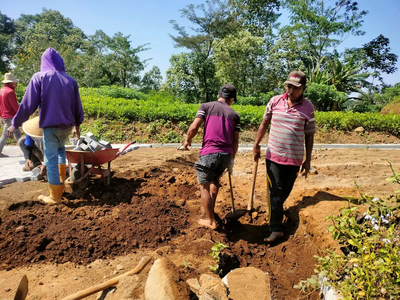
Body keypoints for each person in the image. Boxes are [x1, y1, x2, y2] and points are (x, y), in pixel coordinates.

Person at [8, 48, 84, 205]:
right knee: (61, 149)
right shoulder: (70, 80)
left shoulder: (40, 77)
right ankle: (61, 180)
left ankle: (55, 196)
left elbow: (27, 105)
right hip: (67, 127)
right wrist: (77, 126)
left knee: (50, 159)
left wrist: (14, 123)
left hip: (51, 126)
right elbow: (78, 107)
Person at [253, 71, 315, 243]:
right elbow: (264, 123)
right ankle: (275, 229)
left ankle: (276, 214)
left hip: (294, 159)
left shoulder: (308, 108)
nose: (290, 90)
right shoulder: (275, 101)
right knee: (275, 192)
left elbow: (309, 135)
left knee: (283, 192)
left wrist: (308, 160)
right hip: (273, 156)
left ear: (303, 88)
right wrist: (256, 144)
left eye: (295, 88)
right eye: (288, 86)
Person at [184, 84, 240, 230]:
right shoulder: (234, 115)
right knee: (215, 181)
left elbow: (194, 126)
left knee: (204, 185)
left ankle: (210, 221)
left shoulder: (206, 106)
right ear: (232, 99)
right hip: (226, 154)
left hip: (210, 152)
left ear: (218, 95)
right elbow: (235, 142)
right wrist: (231, 158)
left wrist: (188, 140)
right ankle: (212, 213)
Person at [0, 73, 21, 157]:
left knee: (17, 134)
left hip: (5, 115)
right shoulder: (10, 92)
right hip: (11, 116)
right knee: (6, 134)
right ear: (11, 83)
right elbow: (15, 107)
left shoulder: (1, 90)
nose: (16, 84)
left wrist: (1, 115)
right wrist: (21, 115)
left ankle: (27, 151)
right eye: (15, 82)